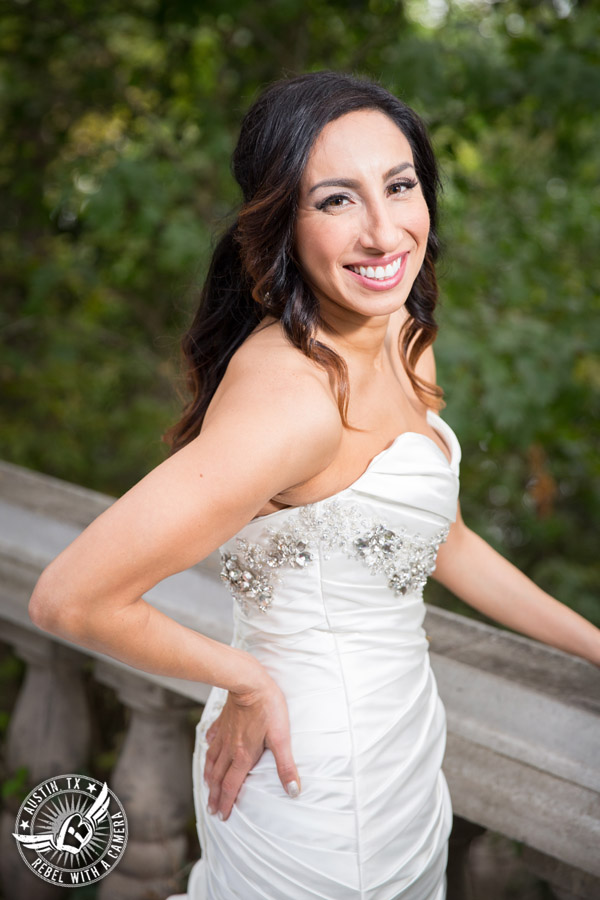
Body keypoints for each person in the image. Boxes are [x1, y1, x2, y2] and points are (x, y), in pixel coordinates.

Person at [29, 71, 600, 900]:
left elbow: (447, 539)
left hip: (404, 754)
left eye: (399, 186)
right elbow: (70, 598)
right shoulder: (291, 403)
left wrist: (593, 645)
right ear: (281, 224)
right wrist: (246, 678)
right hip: (313, 785)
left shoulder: (402, 334)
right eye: (336, 201)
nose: (382, 231)